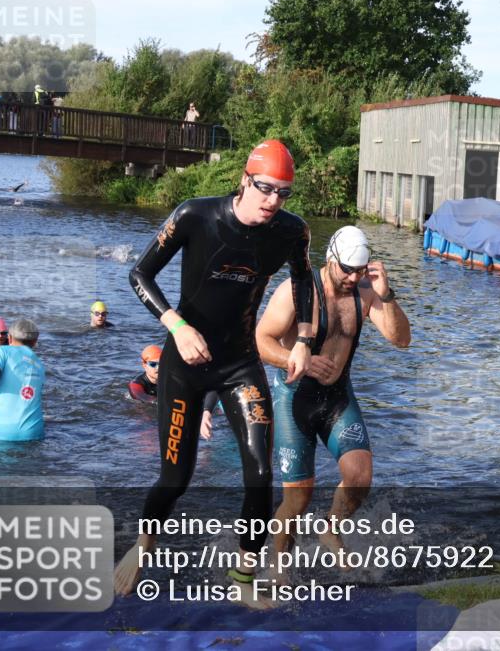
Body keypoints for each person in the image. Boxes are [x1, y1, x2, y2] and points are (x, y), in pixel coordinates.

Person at [114, 139, 315, 606]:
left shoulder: (291, 231)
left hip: (240, 363)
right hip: (184, 363)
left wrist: (303, 339)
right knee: (176, 479)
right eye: (265, 188)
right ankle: (144, 544)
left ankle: (244, 577)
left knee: (261, 472)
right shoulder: (194, 216)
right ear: (245, 180)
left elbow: (304, 279)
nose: (273, 201)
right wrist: (176, 326)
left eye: (284, 193)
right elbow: (140, 275)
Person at [257, 226, 410, 567]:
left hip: (338, 396)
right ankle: (279, 567)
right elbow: (261, 341)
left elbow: (401, 340)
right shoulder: (296, 291)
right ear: (330, 260)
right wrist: (299, 360)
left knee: (360, 476)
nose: (354, 278)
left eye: (360, 270)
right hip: (294, 396)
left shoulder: (366, 292)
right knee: (298, 498)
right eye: (347, 270)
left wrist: (387, 295)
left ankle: (330, 529)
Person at [129, 344, 220, 436]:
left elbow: (207, 386)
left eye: (161, 364)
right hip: (149, 411)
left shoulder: (173, 377)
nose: (158, 368)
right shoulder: (136, 384)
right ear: (144, 365)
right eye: (153, 364)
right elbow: (142, 397)